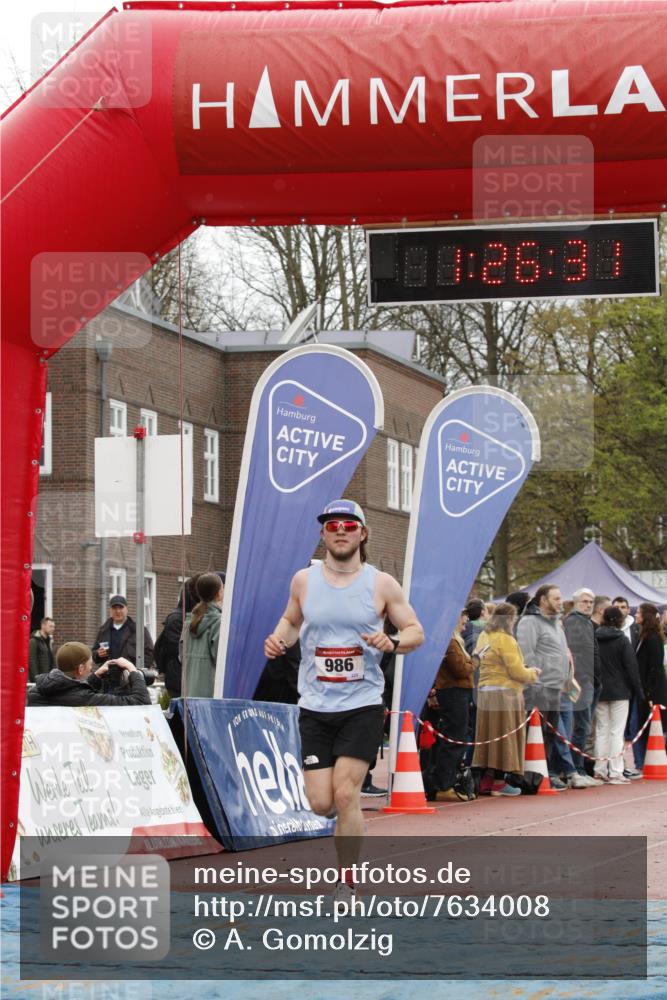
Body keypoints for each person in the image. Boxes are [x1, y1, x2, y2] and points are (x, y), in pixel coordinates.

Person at [263, 499, 424, 901]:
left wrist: (394, 641)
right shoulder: (303, 580)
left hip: (362, 704)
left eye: (349, 525)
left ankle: (347, 880)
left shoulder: (381, 583)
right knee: (321, 803)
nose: (340, 530)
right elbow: (292, 620)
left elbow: (416, 631)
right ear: (323, 533)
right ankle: (347, 825)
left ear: (362, 533)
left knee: (346, 793)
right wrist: (278, 639)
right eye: (332, 524)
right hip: (315, 705)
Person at [472, 603, 540, 796]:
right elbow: (517, 671)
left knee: (488, 737)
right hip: (505, 693)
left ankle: (486, 779)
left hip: (486, 692)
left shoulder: (485, 636)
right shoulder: (506, 640)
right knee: (505, 737)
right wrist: (533, 673)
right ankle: (500, 782)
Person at [516, 584, 571, 790]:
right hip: (538, 686)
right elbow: (526, 652)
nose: (560, 602)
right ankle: (528, 776)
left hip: (555, 686)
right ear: (543, 600)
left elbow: (562, 653)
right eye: (556, 598)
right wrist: (535, 681)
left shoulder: (556, 623)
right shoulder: (530, 621)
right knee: (534, 732)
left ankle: (541, 774)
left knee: (548, 733)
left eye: (560, 598)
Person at [593, 605, 644, 783]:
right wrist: (637, 690)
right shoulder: (622, 640)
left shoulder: (595, 637)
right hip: (620, 690)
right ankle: (616, 771)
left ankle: (599, 769)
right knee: (617, 731)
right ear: (620, 621)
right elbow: (631, 667)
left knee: (601, 730)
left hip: (600, 689)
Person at [431, 609, 474, 802]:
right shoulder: (450, 641)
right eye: (463, 622)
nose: (465, 626)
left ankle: (444, 782)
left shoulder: (453, 641)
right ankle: (443, 784)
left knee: (453, 739)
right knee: (453, 740)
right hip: (454, 692)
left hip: (455, 692)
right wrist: (476, 661)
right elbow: (461, 670)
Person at [28, 642, 150, 706]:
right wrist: (133, 670)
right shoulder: (83, 699)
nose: (91, 668)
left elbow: (70, 689)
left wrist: (96, 676)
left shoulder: (36, 691)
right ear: (81, 669)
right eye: (90, 664)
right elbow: (140, 702)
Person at [563, 588, 602, 787]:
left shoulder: (586, 622)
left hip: (590, 680)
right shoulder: (574, 622)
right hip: (582, 681)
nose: (588, 605)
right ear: (576, 602)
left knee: (583, 728)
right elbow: (575, 652)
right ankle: (575, 770)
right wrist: (585, 677)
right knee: (581, 727)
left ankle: (576, 768)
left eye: (591, 601)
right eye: (585, 601)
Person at [92, 596, 155, 690]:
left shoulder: (138, 630)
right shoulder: (103, 630)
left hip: (130, 680)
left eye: (121, 607)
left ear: (127, 609)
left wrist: (137, 672)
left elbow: (150, 652)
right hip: (108, 681)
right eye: (114, 608)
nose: (118, 611)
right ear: (110, 610)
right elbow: (94, 655)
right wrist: (98, 654)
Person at [154, 575, 201, 698]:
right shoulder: (176, 619)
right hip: (179, 680)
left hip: (184, 678)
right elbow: (179, 651)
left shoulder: (186, 617)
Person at [633, 602, 667, 770]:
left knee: (653, 726)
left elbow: (655, 668)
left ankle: (649, 761)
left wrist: (649, 692)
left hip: (652, 691)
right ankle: (644, 761)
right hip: (646, 689)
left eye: (638, 612)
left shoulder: (652, 639)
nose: (635, 615)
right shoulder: (643, 636)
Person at [180, 573, 224, 697]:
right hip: (209, 696)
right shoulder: (219, 622)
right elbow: (221, 661)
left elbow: (181, 656)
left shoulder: (188, 622)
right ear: (219, 593)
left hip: (188, 695)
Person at [28, 616, 55, 682]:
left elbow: (51, 660)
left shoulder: (49, 641)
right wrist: (36, 679)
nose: (53, 628)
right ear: (43, 626)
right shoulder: (33, 641)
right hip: (39, 680)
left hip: (47, 679)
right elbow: (31, 661)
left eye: (54, 626)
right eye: (50, 626)